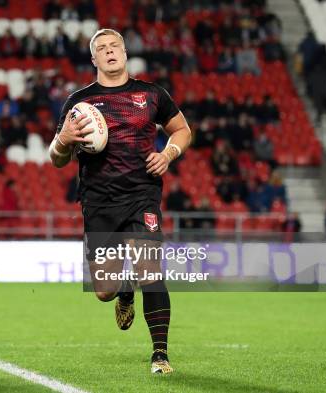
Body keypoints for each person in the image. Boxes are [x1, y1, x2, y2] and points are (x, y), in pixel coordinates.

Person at [48, 29, 191, 374]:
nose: (110, 52)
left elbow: (182, 130)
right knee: (104, 290)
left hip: (143, 195)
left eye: (115, 47)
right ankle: (124, 290)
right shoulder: (79, 104)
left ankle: (160, 354)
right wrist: (64, 140)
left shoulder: (151, 95)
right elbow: (56, 158)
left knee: (150, 271)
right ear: (94, 60)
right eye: (102, 49)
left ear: (125, 54)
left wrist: (169, 153)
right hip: (99, 201)